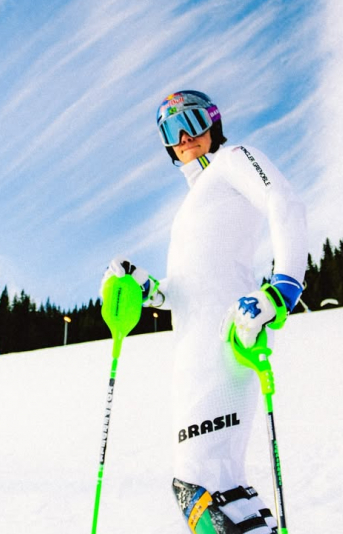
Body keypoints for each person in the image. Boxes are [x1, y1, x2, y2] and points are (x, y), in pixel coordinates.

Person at [102, 90, 307, 533]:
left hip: (224, 342)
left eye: (190, 122)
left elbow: (284, 202)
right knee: (220, 487)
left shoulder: (234, 159)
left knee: (198, 486)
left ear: (213, 123)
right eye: (170, 132)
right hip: (191, 355)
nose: (183, 138)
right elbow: (185, 291)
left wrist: (283, 286)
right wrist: (143, 287)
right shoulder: (192, 206)